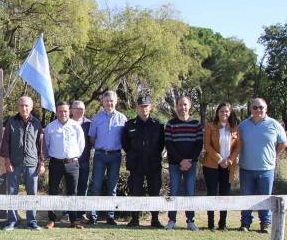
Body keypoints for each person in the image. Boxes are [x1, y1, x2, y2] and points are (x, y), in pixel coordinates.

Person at [238, 98, 287, 233]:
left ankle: (265, 224)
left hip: (266, 169)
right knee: (246, 198)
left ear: (266, 109)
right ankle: (245, 223)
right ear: (250, 109)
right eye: (255, 107)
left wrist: (274, 156)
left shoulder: (274, 124)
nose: (258, 110)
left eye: (261, 107)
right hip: (246, 168)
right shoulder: (243, 126)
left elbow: (283, 143)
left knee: (265, 198)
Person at [0, 96, 45, 231]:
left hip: (32, 163)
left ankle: (32, 221)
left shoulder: (36, 123)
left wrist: (41, 163)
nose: (24, 108)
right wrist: (7, 161)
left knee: (32, 193)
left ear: (31, 107)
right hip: (14, 163)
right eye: (21, 105)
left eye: (26, 106)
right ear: (18, 107)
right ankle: (12, 220)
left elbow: (41, 144)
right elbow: (5, 142)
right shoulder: (11, 122)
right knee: (12, 192)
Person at [121, 96, 165, 228]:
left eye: (146, 106)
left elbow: (161, 144)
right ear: (137, 108)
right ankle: (135, 219)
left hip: (153, 163)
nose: (143, 108)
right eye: (141, 106)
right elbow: (125, 144)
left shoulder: (158, 125)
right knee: (135, 191)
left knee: (155, 191)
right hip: (136, 164)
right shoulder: (129, 125)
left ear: (150, 107)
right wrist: (134, 155)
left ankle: (155, 220)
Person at [87, 91, 127, 225]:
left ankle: (110, 216)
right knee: (96, 186)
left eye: (111, 101)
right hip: (99, 155)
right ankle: (93, 215)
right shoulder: (96, 119)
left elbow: (125, 138)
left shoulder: (122, 118)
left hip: (115, 156)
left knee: (112, 187)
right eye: (106, 101)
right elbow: (92, 139)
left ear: (116, 101)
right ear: (102, 102)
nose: (109, 103)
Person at [164, 95, 203, 231]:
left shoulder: (196, 124)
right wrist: (181, 161)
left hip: (191, 164)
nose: (182, 107)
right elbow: (169, 145)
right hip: (175, 164)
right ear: (176, 106)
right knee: (173, 191)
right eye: (180, 105)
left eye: (185, 105)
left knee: (189, 192)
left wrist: (189, 161)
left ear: (189, 106)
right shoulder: (170, 124)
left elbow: (199, 145)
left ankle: (190, 220)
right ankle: (172, 220)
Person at [44, 101, 85, 229]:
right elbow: (47, 144)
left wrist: (74, 156)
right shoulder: (50, 127)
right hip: (56, 163)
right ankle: (52, 220)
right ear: (56, 112)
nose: (63, 113)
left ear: (70, 112)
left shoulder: (76, 126)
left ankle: (74, 220)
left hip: (72, 164)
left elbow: (81, 144)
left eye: (66, 111)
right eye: (60, 111)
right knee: (53, 191)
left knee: (73, 192)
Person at [203, 102, 242, 231]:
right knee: (212, 193)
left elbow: (238, 147)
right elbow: (207, 146)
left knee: (225, 194)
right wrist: (219, 159)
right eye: (221, 111)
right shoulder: (210, 126)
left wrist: (229, 161)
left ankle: (222, 223)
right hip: (212, 165)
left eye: (226, 111)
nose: (223, 114)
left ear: (230, 113)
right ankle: (211, 223)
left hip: (228, 166)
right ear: (217, 113)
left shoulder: (235, 128)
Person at [71, 100, 92, 223]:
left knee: (83, 187)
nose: (79, 111)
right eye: (77, 108)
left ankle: (81, 213)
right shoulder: (66, 122)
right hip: (69, 161)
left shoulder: (89, 124)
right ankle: (68, 212)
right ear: (72, 110)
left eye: (82, 109)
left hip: (84, 160)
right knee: (70, 187)